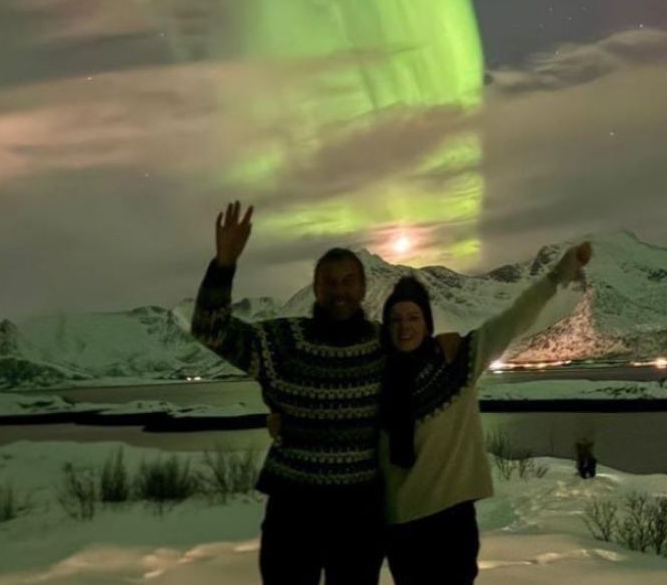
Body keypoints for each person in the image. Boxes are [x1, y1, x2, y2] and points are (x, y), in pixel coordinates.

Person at [190, 200, 385, 585]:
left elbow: (431, 372)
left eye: (348, 280)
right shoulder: (283, 342)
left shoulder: (385, 346)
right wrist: (224, 263)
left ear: (363, 287)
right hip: (294, 515)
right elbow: (210, 331)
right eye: (329, 281)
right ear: (315, 287)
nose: (339, 290)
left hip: (360, 516)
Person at [379, 241, 593, 585]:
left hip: (451, 522)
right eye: (396, 319)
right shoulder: (377, 376)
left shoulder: (457, 361)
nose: (405, 327)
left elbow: (513, 319)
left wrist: (558, 275)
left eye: (413, 317)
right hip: (400, 526)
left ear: (427, 322)